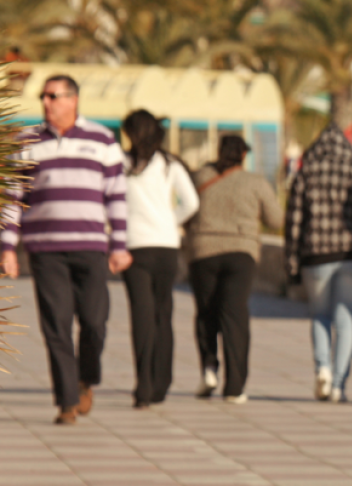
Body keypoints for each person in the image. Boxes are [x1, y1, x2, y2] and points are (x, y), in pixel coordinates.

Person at [0, 74, 130, 425]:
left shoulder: (102, 140)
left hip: (91, 247)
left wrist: (120, 244)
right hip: (46, 250)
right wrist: (8, 246)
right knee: (55, 325)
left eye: (53, 96)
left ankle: (86, 378)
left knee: (94, 321)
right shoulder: (28, 142)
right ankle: (67, 401)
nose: (46, 102)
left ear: (73, 99)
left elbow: (117, 195)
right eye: (43, 96)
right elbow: (13, 197)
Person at [285, 122, 352, 403]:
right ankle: (339, 383)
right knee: (345, 319)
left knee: (319, 315)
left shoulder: (307, 172)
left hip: (314, 257)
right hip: (351, 256)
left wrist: (291, 261)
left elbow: (294, 220)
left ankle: (323, 369)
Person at [187, 135, 282, 404]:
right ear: (243, 155)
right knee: (234, 314)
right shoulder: (255, 183)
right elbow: (276, 220)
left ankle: (208, 369)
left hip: (203, 250)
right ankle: (235, 386)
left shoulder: (200, 178)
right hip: (241, 252)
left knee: (206, 311)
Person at [121, 109, 199, 409]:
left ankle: (143, 385)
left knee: (141, 315)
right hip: (166, 247)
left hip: (134, 247)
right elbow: (191, 203)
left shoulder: (121, 164)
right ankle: (162, 381)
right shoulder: (170, 165)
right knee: (163, 313)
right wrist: (170, 222)